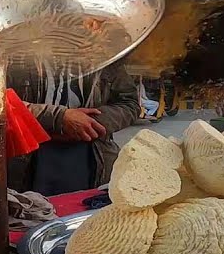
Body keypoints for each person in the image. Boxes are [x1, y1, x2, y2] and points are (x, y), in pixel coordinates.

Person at [7, 66, 139, 195]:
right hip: (29, 157)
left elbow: (129, 104)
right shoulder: (16, 57)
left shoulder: (105, 58)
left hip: (92, 154)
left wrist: (88, 122)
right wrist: (57, 118)